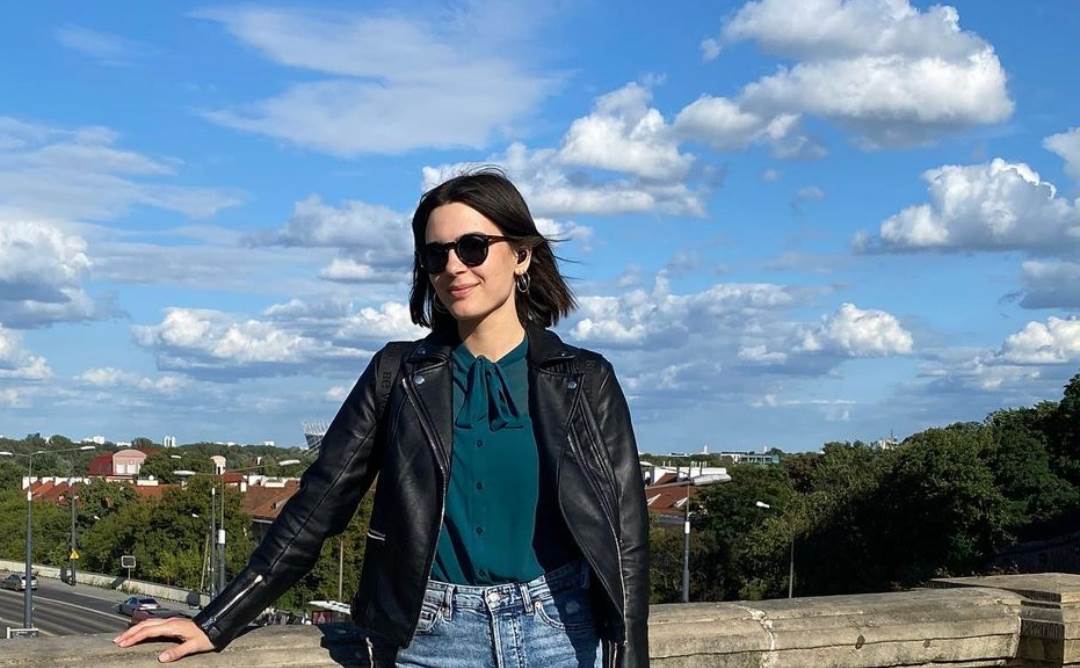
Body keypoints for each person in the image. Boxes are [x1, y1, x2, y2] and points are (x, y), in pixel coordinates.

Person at [113, 170, 649, 667]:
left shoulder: (583, 379)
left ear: (522, 255)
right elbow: (318, 505)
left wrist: (629, 656)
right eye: (436, 255)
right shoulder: (398, 375)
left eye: (473, 247)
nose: (454, 267)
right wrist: (218, 620)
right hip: (434, 637)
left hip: (561, 633)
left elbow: (625, 535)